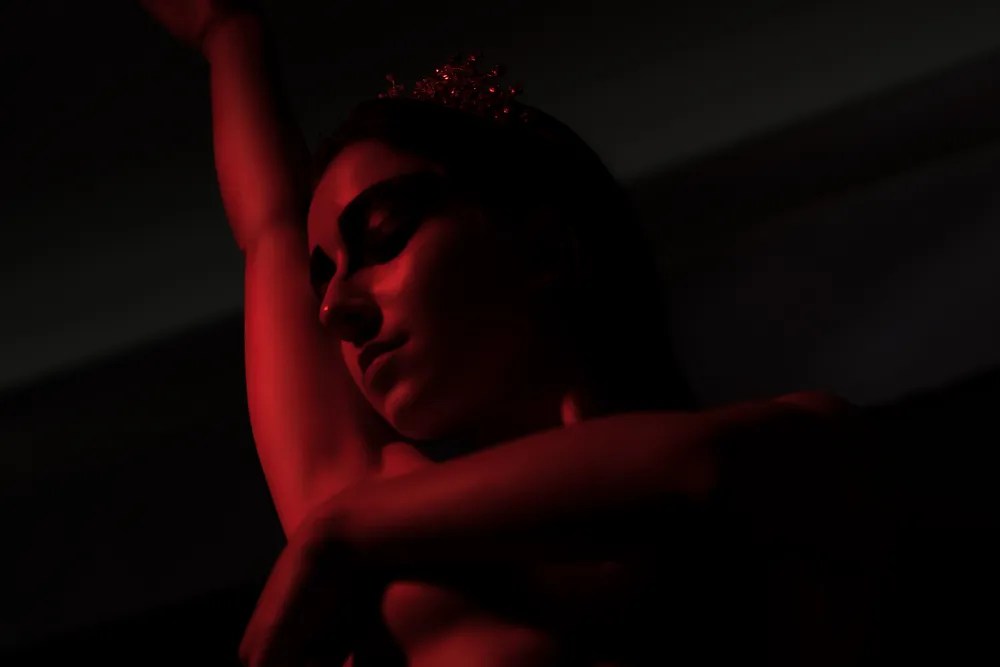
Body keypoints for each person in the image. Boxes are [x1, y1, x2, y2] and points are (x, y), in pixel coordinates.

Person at [139, 2, 990, 666]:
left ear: (545, 244)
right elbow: (271, 228)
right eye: (324, 279)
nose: (332, 310)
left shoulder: (799, 448)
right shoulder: (368, 504)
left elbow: (695, 471)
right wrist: (228, 33)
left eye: (385, 236)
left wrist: (344, 533)